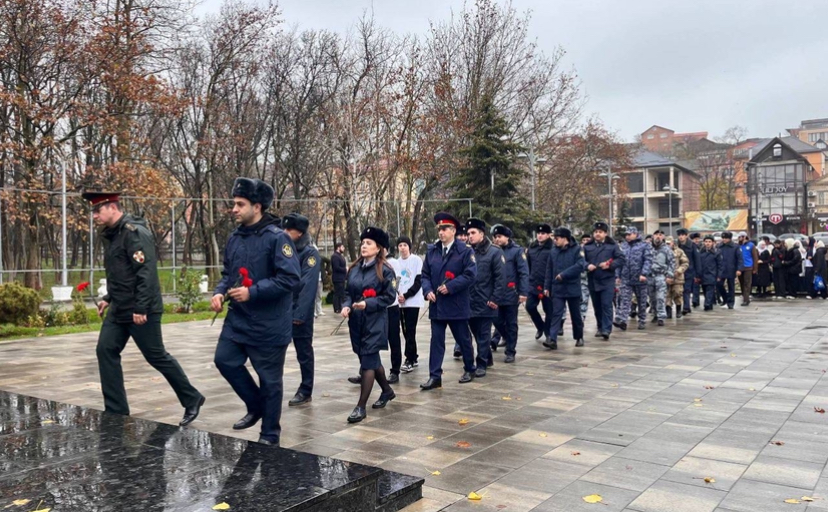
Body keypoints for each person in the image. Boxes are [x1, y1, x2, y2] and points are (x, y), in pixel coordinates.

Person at [83, 190, 204, 426]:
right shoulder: (113, 234)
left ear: (113, 208)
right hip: (119, 308)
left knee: (156, 356)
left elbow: (146, 273)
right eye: (94, 211)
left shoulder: (134, 233)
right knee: (105, 350)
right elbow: (121, 272)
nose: (95, 215)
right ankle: (116, 411)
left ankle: (192, 398)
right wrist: (108, 297)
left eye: (98, 210)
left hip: (141, 309)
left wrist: (141, 308)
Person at [211, 178, 300, 446]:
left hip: (269, 324)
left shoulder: (277, 238)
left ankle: (269, 435)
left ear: (257, 206)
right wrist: (219, 292)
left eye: (240, 204)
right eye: (234, 204)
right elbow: (228, 274)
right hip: (238, 320)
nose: (234, 209)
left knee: (269, 381)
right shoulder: (235, 238)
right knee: (224, 360)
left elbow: (290, 278)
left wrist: (253, 292)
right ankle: (256, 405)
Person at [340, 227, 397, 423]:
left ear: (378, 248)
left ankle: (361, 407)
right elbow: (348, 293)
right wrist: (346, 306)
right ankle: (387, 391)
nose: (364, 246)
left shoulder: (385, 270)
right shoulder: (354, 268)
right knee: (370, 359)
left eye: (369, 243)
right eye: (363, 242)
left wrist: (368, 303)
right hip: (356, 322)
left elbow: (389, 296)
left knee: (367, 363)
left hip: (375, 322)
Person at [421, 212, 478, 389]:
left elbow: (470, 275)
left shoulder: (465, 251)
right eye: (439, 229)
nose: (441, 232)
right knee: (436, 341)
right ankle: (435, 376)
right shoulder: (432, 251)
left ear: (453, 231)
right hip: (437, 305)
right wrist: (427, 291)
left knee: (463, 339)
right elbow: (425, 275)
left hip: (456, 304)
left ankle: (470, 368)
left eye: (445, 229)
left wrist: (451, 286)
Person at [282, 213, 321, 407]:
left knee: (303, 352)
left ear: (300, 232)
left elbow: (308, 285)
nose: (285, 232)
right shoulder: (284, 250)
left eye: (289, 229)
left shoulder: (310, 253)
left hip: (299, 310)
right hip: (280, 309)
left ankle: (306, 390)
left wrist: (299, 314)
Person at [465, 218, 507, 376]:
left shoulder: (494, 252)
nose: (470, 236)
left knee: (483, 334)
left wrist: (495, 298)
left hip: (487, 301)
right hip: (470, 301)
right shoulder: (468, 252)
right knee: (476, 333)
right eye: (468, 233)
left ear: (482, 234)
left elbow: (500, 278)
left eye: (473, 233)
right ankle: (487, 358)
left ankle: (481, 364)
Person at [543, 227, 586, 349]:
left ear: (564, 238)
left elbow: (580, 265)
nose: (555, 241)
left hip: (572, 287)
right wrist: (547, 287)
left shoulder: (577, 249)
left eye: (557, 238)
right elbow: (549, 270)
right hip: (557, 288)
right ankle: (552, 339)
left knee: (575, 314)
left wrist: (564, 274)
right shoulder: (553, 251)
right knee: (556, 313)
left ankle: (579, 337)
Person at [491, 225, 529, 363]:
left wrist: (523, 292)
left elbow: (523, 272)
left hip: (511, 292)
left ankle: (510, 351)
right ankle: (508, 338)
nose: (497, 239)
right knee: (496, 320)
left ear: (507, 237)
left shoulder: (517, 251)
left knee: (511, 323)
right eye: (495, 237)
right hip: (496, 293)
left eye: (499, 236)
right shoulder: (493, 251)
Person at [584, 221, 625, 340]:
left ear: (605, 233)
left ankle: (606, 329)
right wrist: (587, 266)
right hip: (593, 279)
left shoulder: (612, 246)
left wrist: (610, 265)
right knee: (597, 306)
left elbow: (621, 259)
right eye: (596, 232)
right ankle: (600, 326)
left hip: (607, 279)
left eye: (600, 232)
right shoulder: (587, 247)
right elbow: (581, 260)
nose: (598, 234)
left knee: (606, 305)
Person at [614, 227, 652, 331]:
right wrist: (618, 275)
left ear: (635, 234)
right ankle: (623, 321)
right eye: (626, 235)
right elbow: (619, 261)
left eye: (629, 234)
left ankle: (642, 320)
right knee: (625, 299)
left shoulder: (644, 245)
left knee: (641, 301)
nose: (627, 237)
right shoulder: (623, 246)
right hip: (626, 278)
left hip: (640, 279)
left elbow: (648, 260)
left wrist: (644, 273)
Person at [396, 236, 423, 374]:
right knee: (406, 330)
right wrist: (399, 295)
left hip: (412, 301)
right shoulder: (396, 263)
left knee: (410, 329)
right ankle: (414, 355)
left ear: (409, 247)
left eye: (405, 245)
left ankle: (409, 359)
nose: (402, 248)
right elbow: (395, 281)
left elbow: (418, 281)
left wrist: (406, 295)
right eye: (400, 245)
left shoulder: (416, 260)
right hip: (401, 302)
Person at [525, 224, 554, 343]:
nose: (540, 236)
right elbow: (527, 265)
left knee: (549, 310)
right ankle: (540, 326)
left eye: (543, 233)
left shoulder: (552, 248)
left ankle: (548, 334)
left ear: (548, 235)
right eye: (538, 233)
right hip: (533, 283)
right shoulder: (532, 247)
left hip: (548, 285)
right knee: (530, 307)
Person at [648, 230, 675, 326]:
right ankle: (655, 314)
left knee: (660, 297)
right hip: (650, 276)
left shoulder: (667, 249)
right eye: (656, 235)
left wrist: (669, 276)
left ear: (663, 237)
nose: (658, 236)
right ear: (653, 236)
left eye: (660, 235)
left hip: (661, 276)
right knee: (652, 298)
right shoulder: (648, 248)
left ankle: (661, 317)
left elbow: (671, 263)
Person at [385, 249, 403, 383]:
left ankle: (395, 370)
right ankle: (365, 370)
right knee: (370, 340)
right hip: (375, 307)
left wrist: (392, 293)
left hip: (391, 306)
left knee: (394, 339)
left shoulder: (393, 263)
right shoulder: (371, 262)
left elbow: (396, 280)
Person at [677, 228, 701, 315]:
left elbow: (697, 260)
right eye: (679, 235)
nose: (681, 237)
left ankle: (686, 307)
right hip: (679, 271)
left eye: (683, 235)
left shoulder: (692, 246)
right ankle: (682, 307)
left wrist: (698, 274)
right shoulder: (677, 245)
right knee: (678, 291)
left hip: (689, 271)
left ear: (686, 235)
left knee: (686, 290)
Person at [717, 232, 743, 309]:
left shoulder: (735, 247)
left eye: (726, 238)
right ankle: (725, 298)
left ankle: (731, 302)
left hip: (731, 269)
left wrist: (739, 269)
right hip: (721, 269)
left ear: (730, 239)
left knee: (731, 286)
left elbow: (740, 259)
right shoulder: (719, 246)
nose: (724, 240)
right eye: (723, 238)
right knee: (719, 284)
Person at [665, 236, 689, 319]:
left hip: (677, 277)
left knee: (678, 293)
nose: (667, 245)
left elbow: (685, 263)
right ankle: (668, 311)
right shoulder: (662, 252)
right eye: (666, 243)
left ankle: (678, 310)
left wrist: (679, 271)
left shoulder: (679, 251)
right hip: (666, 277)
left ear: (673, 243)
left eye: (669, 243)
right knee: (666, 295)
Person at [699, 235, 722, 310]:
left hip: (712, 274)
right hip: (703, 274)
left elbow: (720, 265)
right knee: (705, 289)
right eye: (706, 242)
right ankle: (709, 304)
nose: (708, 243)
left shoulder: (716, 252)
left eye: (709, 242)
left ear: (713, 243)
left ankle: (707, 304)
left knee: (710, 289)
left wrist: (719, 275)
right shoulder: (701, 252)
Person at [737, 232, 758, 306]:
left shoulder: (751, 245)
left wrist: (755, 268)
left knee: (747, 283)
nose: (740, 238)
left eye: (742, 236)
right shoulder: (738, 246)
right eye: (739, 237)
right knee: (742, 283)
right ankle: (745, 297)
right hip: (740, 267)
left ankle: (746, 299)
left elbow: (755, 257)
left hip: (748, 267)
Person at [331, 243, 347, 314]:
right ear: (338, 247)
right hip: (337, 278)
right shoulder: (335, 256)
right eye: (342, 247)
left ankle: (340, 306)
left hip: (342, 277)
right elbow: (336, 267)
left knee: (341, 293)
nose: (344, 249)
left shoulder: (340, 256)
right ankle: (337, 308)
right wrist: (345, 269)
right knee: (337, 293)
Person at [579, 234, 591, 321]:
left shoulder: (594, 249)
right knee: (583, 299)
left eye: (588, 240)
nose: (586, 242)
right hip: (582, 279)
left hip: (594, 278)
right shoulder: (579, 251)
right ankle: (581, 317)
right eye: (584, 240)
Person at [690, 232, 703, 308]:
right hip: (693, 268)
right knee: (695, 285)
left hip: (700, 268)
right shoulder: (691, 247)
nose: (697, 240)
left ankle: (696, 300)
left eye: (698, 239)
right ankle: (695, 300)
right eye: (695, 239)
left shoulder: (701, 247)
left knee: (696, 285)